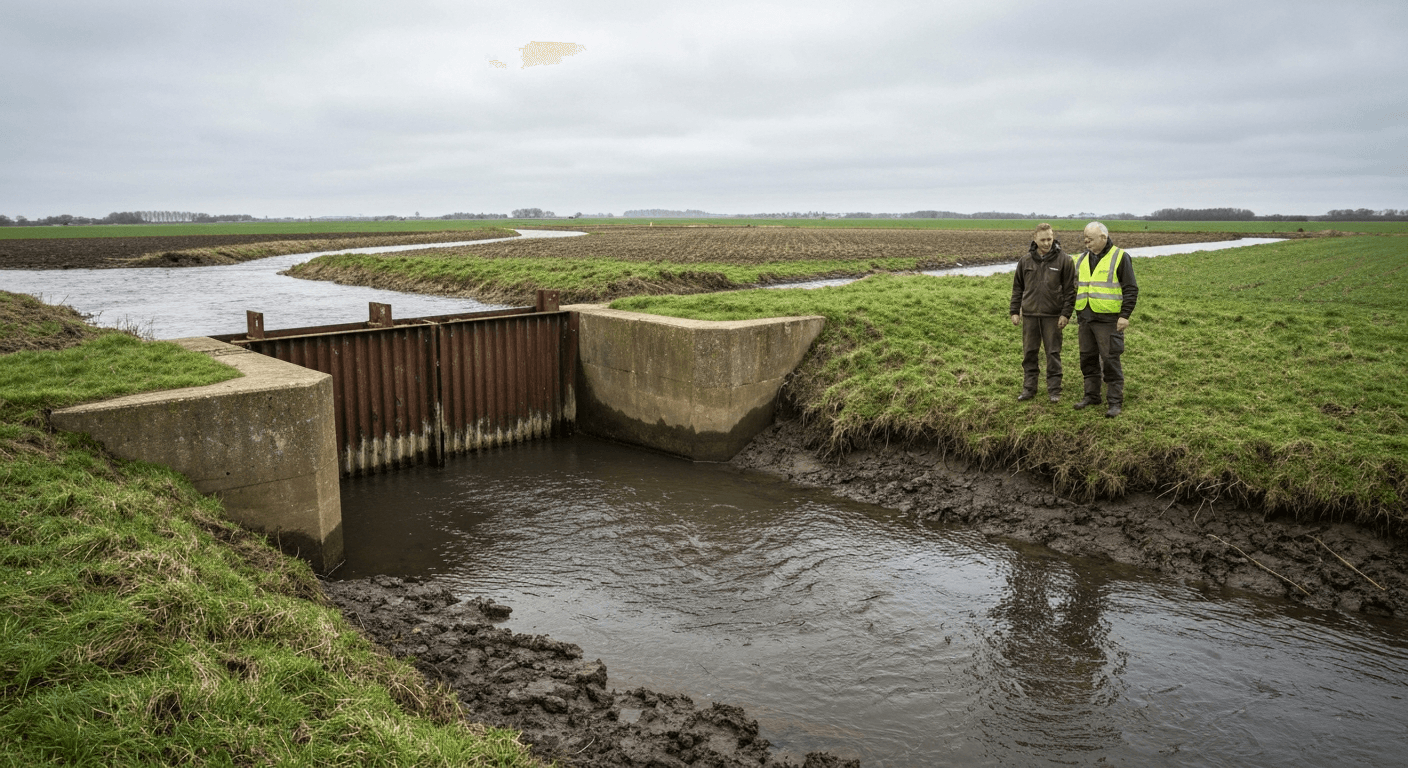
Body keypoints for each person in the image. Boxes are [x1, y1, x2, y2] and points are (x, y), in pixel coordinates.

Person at [1072, 221, 1138, 418]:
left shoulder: (1120, 257)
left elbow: (1131, 288)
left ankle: (1115, 402)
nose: (1086, 242)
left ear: (1103, 237)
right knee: (1087, 358)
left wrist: (1125, 315)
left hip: (1109, 320)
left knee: (1110, 360)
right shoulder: (1082, 258)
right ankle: (1091, 395)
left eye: (1090, 239)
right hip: (1085, 317)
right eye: (1084, 239)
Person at [1009, 223, 1076, 403]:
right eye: (1043, 240)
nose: (1047, 243)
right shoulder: (1025, 261)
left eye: (1050, 239)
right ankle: (1029, 388)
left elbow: (1070, 290)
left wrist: (1065, 314)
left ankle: (1054, 390)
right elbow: (1017, 288)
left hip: (1053, 316)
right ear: (1035, 239)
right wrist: (1015, 311)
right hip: (1030, 315)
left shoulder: (1065, 260)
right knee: (1029, 353)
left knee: (1053, 353)